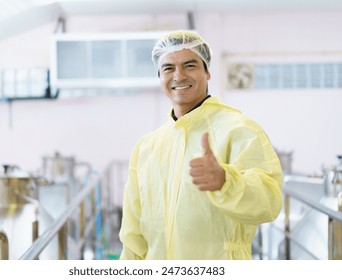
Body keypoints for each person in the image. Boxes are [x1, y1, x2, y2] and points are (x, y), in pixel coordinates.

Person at [118, 30, 283, 260]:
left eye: (190, 65)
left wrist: (226, 181)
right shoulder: (148, 147)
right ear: (160, 76)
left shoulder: (238, 129)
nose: (179, 75)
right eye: (168, 68)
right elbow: (133, 237)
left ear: (207, 72)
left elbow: (269, 200)